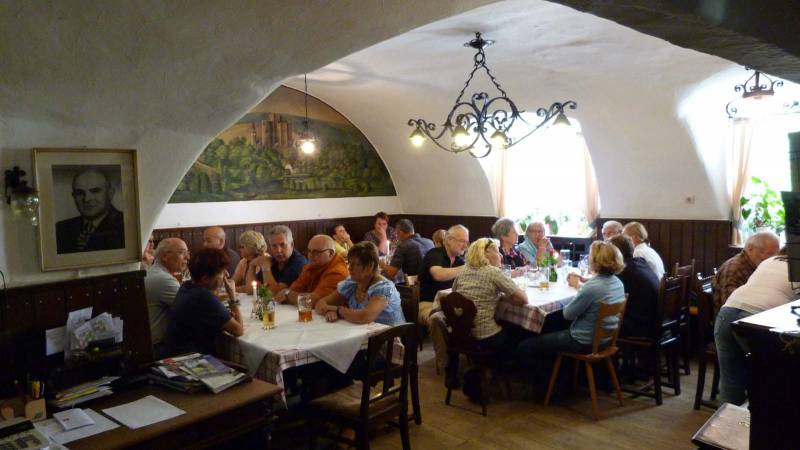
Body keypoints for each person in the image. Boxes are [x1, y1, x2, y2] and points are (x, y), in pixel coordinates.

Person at [518, 241, 625, 370]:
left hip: (583, 341)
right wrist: (583, 282)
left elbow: (567, 314)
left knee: (526, 346)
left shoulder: (592, 287)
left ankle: (550, 380)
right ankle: (562, 372)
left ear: (595, 261)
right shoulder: (618, 282)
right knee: (554, 327)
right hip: (606, 339)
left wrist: (578, 290)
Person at [714, 251, 796, 405]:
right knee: (770, 379)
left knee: (730, 381)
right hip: (757, 321)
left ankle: (729, 420)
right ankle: (763, 418)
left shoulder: (770, 261)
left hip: (727, 313)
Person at [452, 238, 528, 360]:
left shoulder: (463, 270)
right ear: (486, 253)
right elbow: (523, 299)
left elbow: (454, 294)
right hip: (486, 336)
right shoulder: (493, 272)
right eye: (497, 252)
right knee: (520, 331)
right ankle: (509, 366)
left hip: (463, 333)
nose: (501, 256)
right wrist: (507, 296)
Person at [161, 248, 244, 358]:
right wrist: (232, 296)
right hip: (190, 361)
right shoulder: (204, 297)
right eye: (221, 272)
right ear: (205, 279)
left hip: (173, 354)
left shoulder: (187, 286)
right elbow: (239, 330)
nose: (227, 275)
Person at [315, 242, 405, 326]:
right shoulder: (352, 283)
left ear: (370, 266)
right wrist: (329, 311)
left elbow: (365, 317)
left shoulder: (383, 288)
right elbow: (320, 304)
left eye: (356, 264)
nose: (350, 268)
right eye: (349, 263)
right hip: (363, 333)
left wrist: (337, 310)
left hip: (389, 336)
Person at [55, 169, 125, 254]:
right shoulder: (61, 229)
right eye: (79, 193)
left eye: (95, 191)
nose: (87, 199)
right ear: (74, 197)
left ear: (110, 193)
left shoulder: (125, 225)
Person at [711, 231, 780, 310]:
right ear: (750, 248)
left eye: (776, 254)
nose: (773, 258)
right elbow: (731, 307)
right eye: (770, 253)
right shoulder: (734, 269)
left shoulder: (758, 265)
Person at [275, 235, 348, 306]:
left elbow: (312, 301)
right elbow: (293, 290)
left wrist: (287, 294)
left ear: (331, 253)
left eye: (316, 252)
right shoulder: (311, 266)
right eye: (309, 251)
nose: (310, 255)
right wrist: (289, 294)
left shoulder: (337, 272)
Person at [608, 235, 659, 337]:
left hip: (639, 326)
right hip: (653, 321)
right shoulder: (641, 263)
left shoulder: (623, 271)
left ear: (614, 253)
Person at [145, 237, 190, 354]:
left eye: (187, 253)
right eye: (182, 252)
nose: (187, 257)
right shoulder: (163, 279)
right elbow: (193, 309)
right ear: (165, 256)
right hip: (158, 348)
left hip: (150, 344)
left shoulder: (153, 271)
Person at [418, 224, 469, 324]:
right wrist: (466, 268)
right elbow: (438, 275)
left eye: (467, 242)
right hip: (428, 304)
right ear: (449, 240)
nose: (465, 246)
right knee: (440, 320)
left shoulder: (459, 260)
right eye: (462, 241)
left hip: (450, 304)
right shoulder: (435, 254)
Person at [250, 225, 308, 295]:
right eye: (274, 246)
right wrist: (252, 265)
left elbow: (274, 293)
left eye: (283, 245)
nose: (278, 250)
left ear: (292, 244)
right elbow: (251, 289)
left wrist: (266, 267)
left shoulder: (299, 263)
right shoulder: (273, 260)